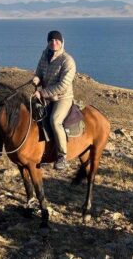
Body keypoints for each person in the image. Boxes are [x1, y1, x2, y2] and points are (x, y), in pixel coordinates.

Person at [32, 30, 76, 170]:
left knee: (55, 121)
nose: (54, 43)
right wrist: (36, 79)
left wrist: (42, 93)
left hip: (62, 98)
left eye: (57, 40)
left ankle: (62, 156)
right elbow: (39, 72)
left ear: (62, 42)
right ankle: (43, 153)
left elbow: (63, 85)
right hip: (45, 96)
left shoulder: (67, 60)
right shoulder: (45, 55)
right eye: (51, 40)